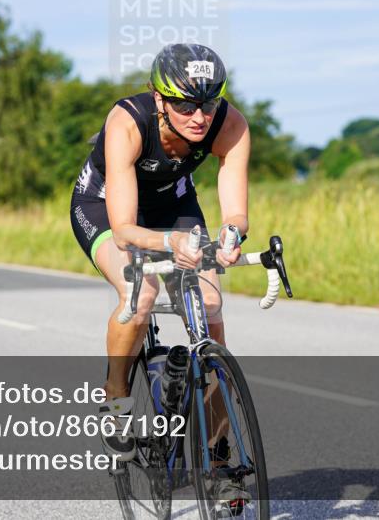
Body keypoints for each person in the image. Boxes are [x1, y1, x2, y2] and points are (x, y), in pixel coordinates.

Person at [69, 43, 250, 462]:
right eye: (184, 105)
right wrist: (171, 243)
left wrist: (230, 235)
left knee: (209, 307)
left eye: (208, 104)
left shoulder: (231, 124)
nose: (199, 117)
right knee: (141, 294)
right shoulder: (127, 122)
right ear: (158, 98)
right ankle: (115, 398)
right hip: (105, 207)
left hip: (173, 204)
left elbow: (236, 213)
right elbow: (124, 231)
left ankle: (219, 454)